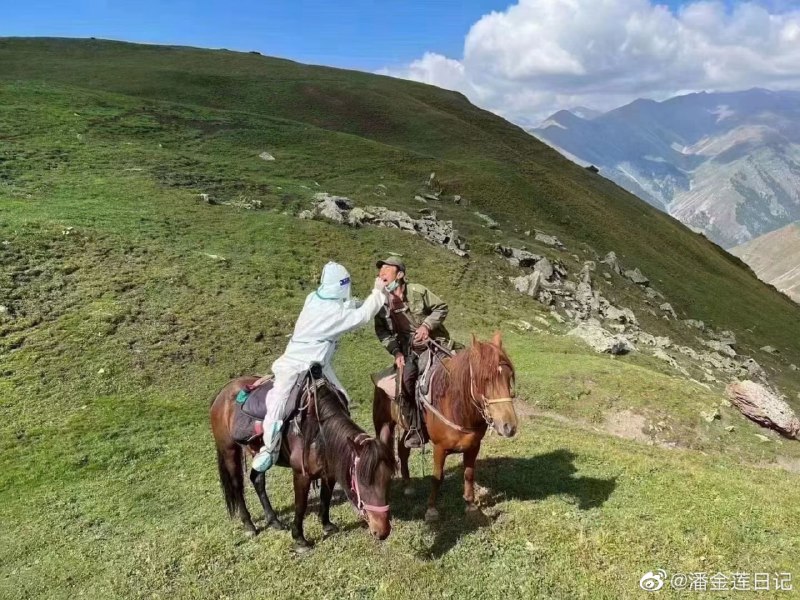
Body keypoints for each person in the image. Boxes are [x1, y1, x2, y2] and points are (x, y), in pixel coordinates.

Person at [252, 261, 387, 472]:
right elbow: (361, 317)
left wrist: (358, 302)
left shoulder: (314, 298)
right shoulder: (332, 314)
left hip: (319, 364)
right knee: (278, 401)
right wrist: (377, 293)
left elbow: (343, 307)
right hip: (295, 363)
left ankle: (334, 439)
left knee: (341, 397)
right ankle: (270, 448)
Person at [374, 257, 450, 448]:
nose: (381, 273)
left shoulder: (417, 291)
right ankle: (416, 429)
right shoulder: (381, 302)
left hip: (435, 343)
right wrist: (396, 352)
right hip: (409, 351)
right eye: (380, 269)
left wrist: (427, 326)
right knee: (405, 383)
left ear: (399, 274)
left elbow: (441, 307)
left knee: (457, 372)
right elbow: (382, 331)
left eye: (387, 269)